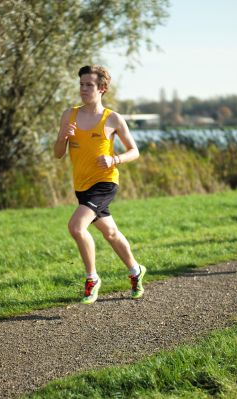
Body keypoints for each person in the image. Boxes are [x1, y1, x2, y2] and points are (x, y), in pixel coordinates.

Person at [54, 65, 146, 304]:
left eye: (89, 85)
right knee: (111, 233)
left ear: (102, 88)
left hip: (105, 182)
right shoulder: (69, 115)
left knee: (76, 227)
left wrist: (114, 159)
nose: (84, 89)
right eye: (81, 84)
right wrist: (64, 134)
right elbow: (57, 153)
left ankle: (92, 278)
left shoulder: (112, 118)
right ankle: (136, 270)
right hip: (82, 186)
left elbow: (134, 151)